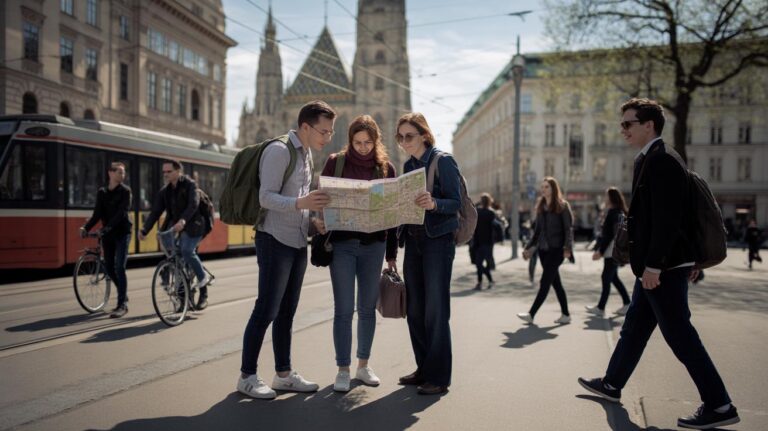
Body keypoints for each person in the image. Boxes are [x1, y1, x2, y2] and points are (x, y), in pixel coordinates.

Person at [578, 98, 739, 430]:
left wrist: (655, 266)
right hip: (655, 266)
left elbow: (668, 219)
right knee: (635, 328)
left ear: (648, 125)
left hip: (661, 267)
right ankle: (611, 384)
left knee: (680, 335)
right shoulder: (650, 159)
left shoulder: (662, 161)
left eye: (628, 123)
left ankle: (719, 404)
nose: (622, 130)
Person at [236, 100, 333, 400]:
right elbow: (266, 197)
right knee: (266, 308)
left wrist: (313, 223)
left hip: (296, 241)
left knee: (287, 313)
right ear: (305, 126)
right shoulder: (279, 151)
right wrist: (300, 204)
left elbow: (299, 201)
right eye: (324, 131)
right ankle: (247, 376)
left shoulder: (306, 156)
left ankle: (283, 374)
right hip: (274, 239)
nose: (328, 137)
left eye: (330, 132)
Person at [315, 115, 398, 392]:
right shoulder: (335, 162)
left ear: (376, 142)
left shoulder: (386, 169)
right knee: (343, 310)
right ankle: (342, 369)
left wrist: (391, 255)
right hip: (342, 245)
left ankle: (363, 366)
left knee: (366, 310)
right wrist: (322, 215)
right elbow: (321, 199)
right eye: (357, 142)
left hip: (374, 246)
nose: (363, 147)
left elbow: (392, 217)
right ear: (349, 140)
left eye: (368, 142)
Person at [396, 112, 461, 395]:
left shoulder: (443, 161)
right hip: (414, 241)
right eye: (400, 137)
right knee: (415, 310)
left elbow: (455, 202)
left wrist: (434, 203)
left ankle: (439, 376)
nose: (404, 141)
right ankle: (423, 367)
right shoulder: (408, 165)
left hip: (437, 243)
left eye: (409, 136)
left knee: (435, 311)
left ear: (424, 134)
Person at [139, 160, 211, 308]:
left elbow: (193, 205)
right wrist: (145, 230)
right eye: (164, 172)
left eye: (169, 172)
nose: (165, 174)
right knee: (176, 261)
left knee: (186, 251)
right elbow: (155, 212)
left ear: (178, 171)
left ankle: (204, 286)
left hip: (195, 226)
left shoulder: (190, 185)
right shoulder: (165, 192)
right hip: (177, 228)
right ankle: (183, 300)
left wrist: (183, 221)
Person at [517, 177, 573, 325]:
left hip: (557, 250)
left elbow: (568, 229)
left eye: (546, 187)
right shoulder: (541, 207)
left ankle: (531, 314)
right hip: (543, 250)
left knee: (544, 282)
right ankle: (566, 314)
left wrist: (567, 247)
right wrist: (528, 248)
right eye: (542, 187)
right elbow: (537, 232)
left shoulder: (562, 206)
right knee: (556, 283)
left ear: (553, 188)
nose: (543, 189)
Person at [81, 162, 132, 318]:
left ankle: (122, 304)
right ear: (110, 173)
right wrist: (86, 228)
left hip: (122, 233)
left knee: (119, 267)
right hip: (108, 235)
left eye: (123, 173)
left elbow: (122, 213)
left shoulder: (126, 191)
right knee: (109, 267)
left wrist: (106, 228)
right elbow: (97, 214)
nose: (122, 175)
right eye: (119, 172)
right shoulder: (102, 192)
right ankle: (123, 293)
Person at [586, 187, 631, 317]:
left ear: (611, 198)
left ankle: (601, 308)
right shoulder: (618, 212)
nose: (605, 198)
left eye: (606, 196)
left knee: (606, 277)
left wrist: (600, 251)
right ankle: (627, 303)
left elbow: (610, 235)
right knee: (613, 278)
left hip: (612, 251)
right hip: (614, 250)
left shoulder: (613, 213)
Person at [472, 193, 497, 290]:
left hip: (479, 241)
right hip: (488, 242)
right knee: (488, 264)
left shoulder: (477, 211)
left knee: (479, 264)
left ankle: (480, 282)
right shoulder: (491, 213)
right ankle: (489, 280)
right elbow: (495, 226)